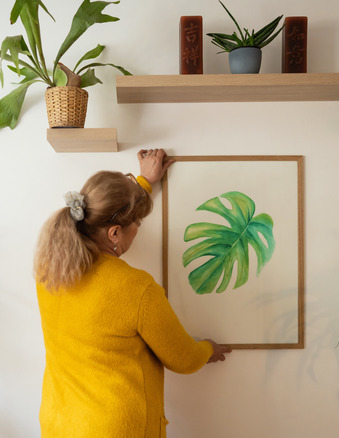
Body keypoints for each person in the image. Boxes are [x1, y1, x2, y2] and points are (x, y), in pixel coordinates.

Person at [34, 148, 231, 438]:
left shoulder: (50, 270)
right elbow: (183, 358)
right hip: (115, 429)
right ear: (114, 233)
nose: (138, 229)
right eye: (136, 223)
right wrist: (208, 350)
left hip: (58, 423)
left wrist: (143, 183)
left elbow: (102, 211)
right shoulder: (135, 288)